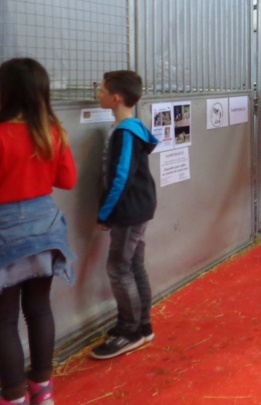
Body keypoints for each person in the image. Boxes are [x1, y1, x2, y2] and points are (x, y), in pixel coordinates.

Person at [0, 58, 77, 405]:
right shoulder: (52, 132)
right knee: (39, 309)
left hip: (5, 233)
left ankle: (13, 396)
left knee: (4, 321)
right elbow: (67, 180)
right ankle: (42, 391)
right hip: (45, 228)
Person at [90, 70, 159, 360]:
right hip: (135, 209)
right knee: (133, 266)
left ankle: (129, 331)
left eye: (101, 89)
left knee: (119, 269)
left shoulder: (126, 132)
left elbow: (120, 177)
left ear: (116, 97)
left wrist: (105, 213)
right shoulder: (129, 128)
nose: (97, 93)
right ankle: (141, 325)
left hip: (128, 212)